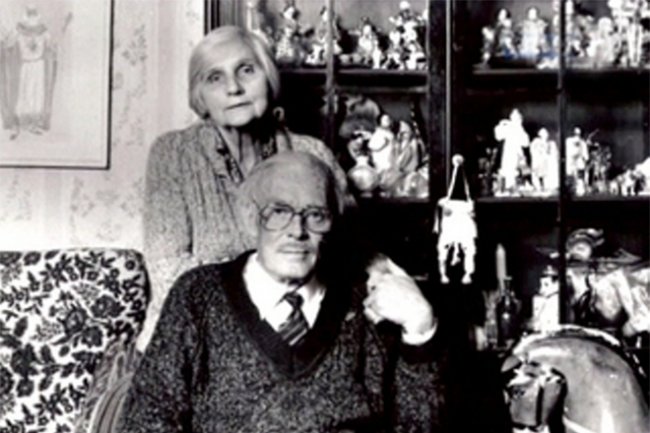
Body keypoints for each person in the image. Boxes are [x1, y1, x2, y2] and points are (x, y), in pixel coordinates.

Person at [117, 151, 446, 433]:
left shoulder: (366, 299)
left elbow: (417, 427)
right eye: (278, 212)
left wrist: (421, 331)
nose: (297, 231)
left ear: (332, 223)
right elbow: (146, 419)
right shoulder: (198, 295)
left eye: (315, 215)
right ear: (250, 219)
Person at [140, 25, 348, 351]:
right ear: (200, 97)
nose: (234, 88)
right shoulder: (172, 154)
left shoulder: (314, 155)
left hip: (295, 336)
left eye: (246, 70)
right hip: (192, 342)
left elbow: (346, 256)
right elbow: (170, 275)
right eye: (215, 78)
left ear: (269, 79)